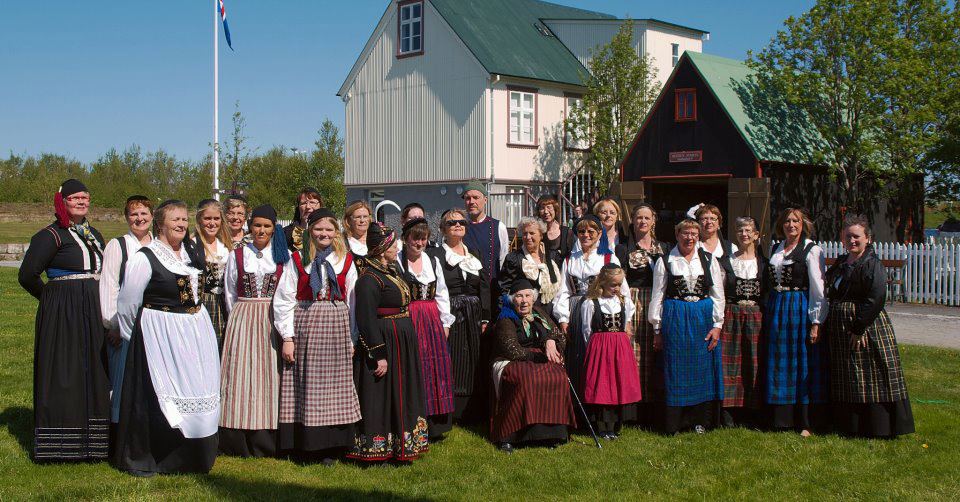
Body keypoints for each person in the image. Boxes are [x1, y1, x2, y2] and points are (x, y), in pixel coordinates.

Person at [112, 200, 219, 476]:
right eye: (175, 220)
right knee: (163, 392)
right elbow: (127, 304)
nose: (181, 224)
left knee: (195, 389)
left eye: (184, 219)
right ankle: (162, 456)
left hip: (195, 334)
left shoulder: (190, 254)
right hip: (160, 335)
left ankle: (194, 455)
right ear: (160, 224)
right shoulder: (144, 257)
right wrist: (135, 339)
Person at [19, 179, 110, 462]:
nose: (82, 202)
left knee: (95, 367)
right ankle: (62, 442)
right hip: (64, 311)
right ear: (64, 201)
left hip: (93, 307)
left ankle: (96, 442)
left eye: (86, 197)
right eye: (75, 198)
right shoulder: (50, 235)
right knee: (66, 370)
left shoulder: (94, 233)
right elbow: (27, 275)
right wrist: (51, 300)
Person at [274, 208, 361, 462]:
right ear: (310, 231)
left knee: (336, 385)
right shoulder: (298, 260)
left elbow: (353, 301)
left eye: (329, 229)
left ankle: (334, 446)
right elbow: (284, 299)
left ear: (336, 232)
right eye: (319, 229)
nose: (324, 233)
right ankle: (307, 445)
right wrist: (287, 338)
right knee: (307, 383)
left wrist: (352, 338)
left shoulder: (345, 260)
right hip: (307, 324)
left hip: (336, 325)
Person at [825, 215, 914, 438]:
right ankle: (850, 425)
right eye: (848, 236)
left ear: (868, 238)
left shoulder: (872, 264)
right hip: (840, 326)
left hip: (865, 326)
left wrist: (859, 328)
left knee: (872, 376)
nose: (852, 240)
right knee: (848, 376)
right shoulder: (841, 262)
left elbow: (876, 297)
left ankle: (877, 426)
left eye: (856, 236)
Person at [348, 223, 429, 462]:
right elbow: (365, 319)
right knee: (381, 393)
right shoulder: (369, 279)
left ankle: (404, 443)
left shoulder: (392, 270)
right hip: (386, 340)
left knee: (403, 389)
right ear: (383, 248)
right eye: (393, 244)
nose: (397, 247)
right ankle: (376, 447)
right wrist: (378, 353)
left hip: (402, 340)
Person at [218, 204, 290, 457]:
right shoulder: (236, 255)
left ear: (274, 229)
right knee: (240, 375)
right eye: (257, 225)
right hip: (243, 316)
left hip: (272, 318)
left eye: (266, 226)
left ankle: (266, 439)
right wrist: (239, 317)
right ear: (250, 226)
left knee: (269, 375)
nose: (261, 230)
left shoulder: (283, 256)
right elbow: (229, 293)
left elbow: (287, 293)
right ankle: (237, 439)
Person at [648, 219, 725, 434]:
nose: (689, 237)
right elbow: (658, 295)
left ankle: (700, 421)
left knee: (702, 370)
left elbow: (718, 294)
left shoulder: (709, 260)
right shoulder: (666, 261)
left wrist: (717, 325)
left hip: (702, 318)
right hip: (676, 318)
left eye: (693, 233)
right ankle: (675, 423)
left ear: (698, 236)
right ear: (677, 234)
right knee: (676, 369)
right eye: (685, 233)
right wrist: (657, 329)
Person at [490, 280, 575, 453]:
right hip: (512, 361)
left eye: (528, 296)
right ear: (512, 299)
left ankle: (553, 433)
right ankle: (511, 436)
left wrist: (550, 341)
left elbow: (559, 335)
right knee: (528, 380)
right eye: (519, 296)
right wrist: (538, 355)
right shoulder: (506, 318)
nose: (524, 301)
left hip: (537, 357)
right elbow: (511, 349)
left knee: (557, 377)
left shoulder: (539, 313)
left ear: (533, 298)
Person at [765, 207, 828, 436]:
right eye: (787, 221)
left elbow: (818, 289)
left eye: (796, 221)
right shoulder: (776, 248)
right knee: (780, 361)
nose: (791, 225)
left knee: (802, 363)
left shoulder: (812, 250)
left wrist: (816, 321)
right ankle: (781, 419)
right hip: (777, 308)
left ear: (803, 225)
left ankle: (806, 421)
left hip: (799, 308)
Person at [427, 208, 491, 423]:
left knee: (473, 358)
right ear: (443, 229)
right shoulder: (434, 255)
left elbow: (483, 288)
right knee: (452, 358)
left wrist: (485, 317)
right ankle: (450, 409)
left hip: (473, 312)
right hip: (449, 312)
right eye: (452, 223)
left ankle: (472, 409)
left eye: (462, 222)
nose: (458, 225)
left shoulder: (474, 254)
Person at [553, 215, 628, 393]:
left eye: (591, 231)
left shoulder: (608, 258)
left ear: (599, 234)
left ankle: (599, 400)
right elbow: (563, 290)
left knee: (599, 356)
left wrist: (626, 319)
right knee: (577, 355)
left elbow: (622, 291)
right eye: (581, 231)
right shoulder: (570, 259)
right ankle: (579, 403)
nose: (586, 235)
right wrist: (563, 318)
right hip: (575, 310)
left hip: (600, 311)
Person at [397, 217, 456, 440]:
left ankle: (435, 424)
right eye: (416, 238)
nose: (420, 243)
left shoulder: (432, 261)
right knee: (413, 367)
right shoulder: (398, 262)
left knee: (435, 368)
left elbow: (441, 293)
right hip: (409, 318)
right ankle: (413, 419)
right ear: (405, 238)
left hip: (431, 319)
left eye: (423, 239)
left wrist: (445, 322)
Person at [100, 195, 154, 426]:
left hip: (153, 321)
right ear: (126, 218)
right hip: (124, 324)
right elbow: (110, 285)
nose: (139, 218)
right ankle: (119, 430)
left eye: (144, 213)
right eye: (134, 214)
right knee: (123, 379)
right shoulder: (118, 245)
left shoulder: (159, 245)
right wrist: (113, 324)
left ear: (152, 217)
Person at [580, 264, 640, 439]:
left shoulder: (624, 303)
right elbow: (586, 330)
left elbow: (627, 323)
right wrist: (592, 351)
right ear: (603, 282)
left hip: (620, 348)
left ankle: (614, 426)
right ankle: (602, 427)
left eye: (619, 284)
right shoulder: (591, 303)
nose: (617, 288)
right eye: (613, 284)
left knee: (618, 383)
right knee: (602, 384)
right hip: (599, 347)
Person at [717, 216, 766, 427]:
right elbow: (718, 292)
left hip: (756, 315)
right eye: (740, 231)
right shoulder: (727, 261)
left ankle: (753, 413)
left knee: (754, 362)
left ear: (756, 235)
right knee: (731, 364)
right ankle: (729, 415)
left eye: (748, 231)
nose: (744, 234)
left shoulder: (763, 263)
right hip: (732, 315)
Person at [623, 203, 669, 427]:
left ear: (653, 221)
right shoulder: (624, 248)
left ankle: (654, 407)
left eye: (646, 218)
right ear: (633, 221)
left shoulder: (665, 248)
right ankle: (634, 408)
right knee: (635, 353)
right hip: (634, 301)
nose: (642, 221)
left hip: (657, 302)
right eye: (638, 217)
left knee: (655, 351)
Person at [499, 217, 562, 319]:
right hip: (526, 315)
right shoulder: (514, 258)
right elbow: (504, 290)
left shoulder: (552, 256)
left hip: (552, 313)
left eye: (532, 233)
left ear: (541, 235)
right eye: (524, 233)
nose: (527, 237)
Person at [462, 180, 509, 310]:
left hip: (492, 292)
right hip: (466, 296)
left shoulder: (498, 227)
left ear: (485, 200)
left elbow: (503, 260)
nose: (471, 202)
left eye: (476, 197)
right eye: (468, 198)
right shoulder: (458, 227)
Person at [193, 199, 232, 350]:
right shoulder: (192, 245)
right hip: (201, 304)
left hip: (222, 304)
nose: (212, 223)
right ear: (199, 220)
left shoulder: (225, 246)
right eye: (207, 218)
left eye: (216, 219)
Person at [283, 187, 323, 260]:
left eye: (312, 202)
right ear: (298, 207)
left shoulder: (328, 232)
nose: (308, 207)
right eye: (303, 203)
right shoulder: (286, 233)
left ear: (320, 205)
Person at [537, 195, 575, 264]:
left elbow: (574, 257)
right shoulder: (537, 233)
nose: (546, 211)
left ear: (555, 210)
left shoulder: (566, 232)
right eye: (542, 208)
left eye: (549, 207)